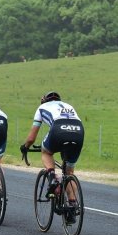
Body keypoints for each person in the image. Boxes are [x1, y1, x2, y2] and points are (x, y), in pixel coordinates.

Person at [20, 91, 84, 223]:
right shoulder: (68, 105)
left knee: (46, 152)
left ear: (44, 101)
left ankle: (52, 178)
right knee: (69, 172)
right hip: (78, 131)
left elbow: (32, 137)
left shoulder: (41, 108)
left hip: (59, 129)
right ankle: (72, 206)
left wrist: (26, 146)